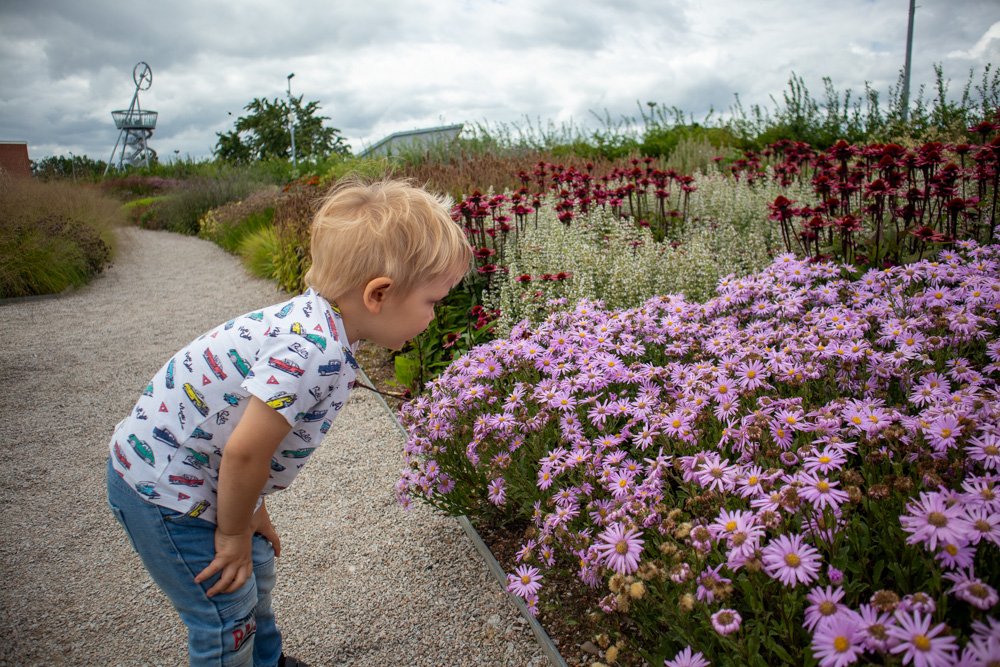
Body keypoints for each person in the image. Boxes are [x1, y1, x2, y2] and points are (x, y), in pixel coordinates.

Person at [106, 177, 472, 667]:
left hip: (199, 474)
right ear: (378, 294)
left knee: (255, 568)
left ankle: (268, 660)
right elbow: (244, 452)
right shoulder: (311, 352)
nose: (434, 316)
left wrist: (250, 514)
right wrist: (232, 533)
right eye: (432, 301)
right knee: (225, 611)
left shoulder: (320, 324)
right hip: (164, 492)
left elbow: (238, 443)